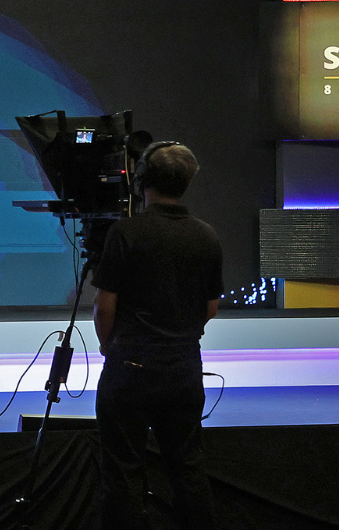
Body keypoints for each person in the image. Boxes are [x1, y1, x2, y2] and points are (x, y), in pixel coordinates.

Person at [91, 141, 222, 529]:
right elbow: (210, 308)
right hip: (183, 367)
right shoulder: (207, 236)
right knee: (188, 469)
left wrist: (107, 346)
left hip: (130, 367)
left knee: (123, 472)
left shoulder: (126, 232)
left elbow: (104, 305)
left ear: (141, 180)